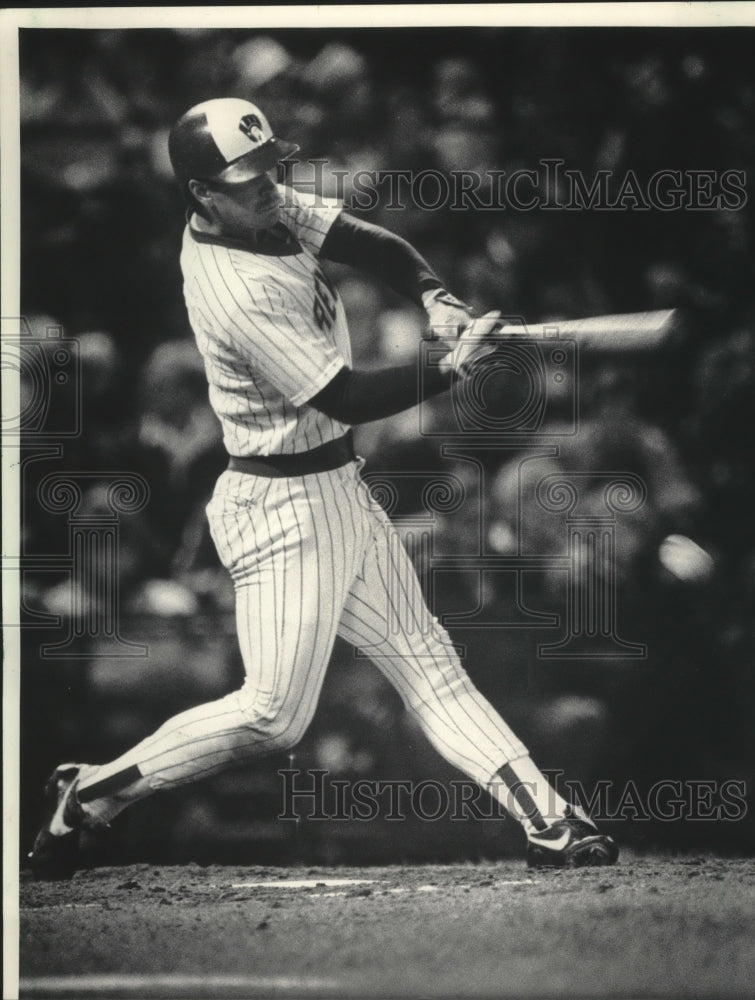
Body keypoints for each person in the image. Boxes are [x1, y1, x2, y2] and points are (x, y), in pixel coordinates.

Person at [30, 98, 618, 879]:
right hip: (278, 507)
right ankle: (91, 792)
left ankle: (550, 821)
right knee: (274, 717)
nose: (270, 186)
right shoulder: (235, 285)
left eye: (272, 167)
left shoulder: (258, 207)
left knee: (430, 663)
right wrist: (449, 369)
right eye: (249, 180)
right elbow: (342, 395)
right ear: (203, 194)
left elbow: (359, 239)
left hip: (336, 487)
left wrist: (432, 292)